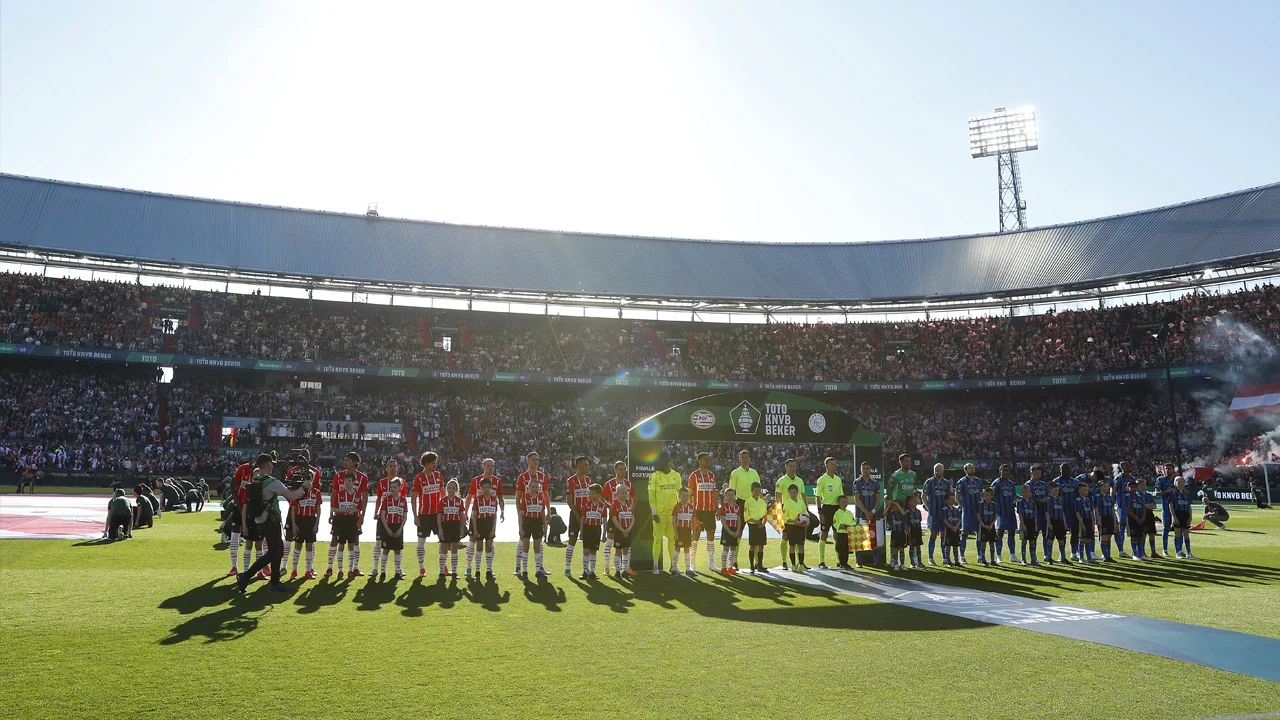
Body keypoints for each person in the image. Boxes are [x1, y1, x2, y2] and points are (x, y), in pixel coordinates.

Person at [236, 454, 308, 593]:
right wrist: (303, 487)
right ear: (268, 464)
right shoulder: (271, 482)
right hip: (271, 520)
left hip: (260, 520)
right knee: (273, 552)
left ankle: (275, 582)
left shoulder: (256, 479)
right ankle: (246, 576)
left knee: (278, 550)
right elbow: (292, 496)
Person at [332, 452, 370, 575]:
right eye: (344, 459)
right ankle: (330, 568)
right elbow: (334, 495)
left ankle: (355, 568)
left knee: (355, 540)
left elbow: (364, 497)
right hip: (340, 515)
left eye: (347, 460)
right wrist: (331, 512)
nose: (345, 462)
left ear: (354, 462)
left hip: (354, 515)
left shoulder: (363, 477)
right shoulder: (338, 476)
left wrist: (362, 515)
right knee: (335, 540)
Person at [465, 458, 503, 578]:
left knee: (489, 544)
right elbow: (469, 497)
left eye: (492, 466)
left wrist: (502, 511)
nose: (490, 468)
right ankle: (469, 567)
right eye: (488, 466)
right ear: (483, 466)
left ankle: (489, 569)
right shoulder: (475, 480)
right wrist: (465, 512)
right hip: (476, 517)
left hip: (489, 518)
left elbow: (500, 498)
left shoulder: (497, 481)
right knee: (472, 542)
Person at [370, 458, 405, 582]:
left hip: (396, 519)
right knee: (379, 542)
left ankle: (398, 569)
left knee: (397, 546)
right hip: (383, 518)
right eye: (390, 465)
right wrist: (376, 512)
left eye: (394, 466)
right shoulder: (381, 482)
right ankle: (375, 568)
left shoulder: (402, 483)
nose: (392, 468)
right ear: (386, 469)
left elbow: (402, 499)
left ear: (397, 468)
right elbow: (379, 498)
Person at [514, 453, 548, 575]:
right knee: (523, 541)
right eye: (533, 459)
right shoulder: (522, 477)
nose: (535, 462)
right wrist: (519, 513)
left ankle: (540, 567)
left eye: (537, 460)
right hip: (526, 513)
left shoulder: (542, 476)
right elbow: (517, 496)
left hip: (538, 513)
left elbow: (545, 494)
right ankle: (518, 567)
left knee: (539, 542)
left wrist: (548, 510)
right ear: (527, 461)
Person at [649, 454, 683, 575]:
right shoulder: (654, 476)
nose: (658, 463)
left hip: (672, 515)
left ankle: (673, 566)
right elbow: (651, 496)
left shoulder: (676, 475)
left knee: (672, 539)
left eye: (660, 460)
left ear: (667, 461)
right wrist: (654, 512)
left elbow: (680, 495)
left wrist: (680, 511)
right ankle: (655, 566)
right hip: (659, 514)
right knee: (657, 539)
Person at [412, 451, 444, 579]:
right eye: (432, 463)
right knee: (420, 543)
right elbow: (414, 498)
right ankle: (421, 568)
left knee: (443, 541)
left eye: (435, 463)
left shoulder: (438, 475)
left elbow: (443, 494)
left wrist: (445, 511)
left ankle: (443, 567)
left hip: (437, 515)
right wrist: (415, 516)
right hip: (424, 515)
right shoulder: (418, 478)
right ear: (425, 464)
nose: (435, 465)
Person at [326, 469, 362, 579]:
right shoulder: (339, 494)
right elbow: (334, 508)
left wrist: (353, 511)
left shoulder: (358, 495)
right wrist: (343, 511)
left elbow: (359, 508)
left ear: (354, 482)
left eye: (349, 480)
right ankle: (339, 570)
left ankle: (350, 570)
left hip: (352, 521)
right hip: (340, 520)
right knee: (340, 544)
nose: (346, 482)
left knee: (351, 544)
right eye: (345, 480)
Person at [286, 474, 323, 581]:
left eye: (309, 478)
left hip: (311, 520)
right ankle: (294, 570)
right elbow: (293, 509)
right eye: (305, 478)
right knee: (298, 545)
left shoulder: (316, 492)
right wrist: (294, 525)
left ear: (312, 479)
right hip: (299, 519)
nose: (307, 481)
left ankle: (308, 571)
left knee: (309, 546)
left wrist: (317, 524)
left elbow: (318, 509)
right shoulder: (298, 492)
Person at [688, 452, 720, 573]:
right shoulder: (694, 476)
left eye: (708, 459)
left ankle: (711, 563)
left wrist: (717, 509)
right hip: (698, 511)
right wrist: (691, 511)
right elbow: (690, 494)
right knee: (695, 535)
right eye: (706, 459)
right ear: (700, 461)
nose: (708, 461)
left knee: (711, 536)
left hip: (710, 510)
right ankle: (692, 563)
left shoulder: (712, 476)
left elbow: (714, 494)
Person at [600, 461, 632, 577]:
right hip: (614, 518)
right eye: (621, 469)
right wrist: (609, 506)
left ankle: (626, 568)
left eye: (625, 469)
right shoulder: (609, 484)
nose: (623, 471)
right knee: (610, 542)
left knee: (626, 544)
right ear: (615, 470)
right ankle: (607, 567)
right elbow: (601, 497)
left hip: (626, 518)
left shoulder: (628, 484)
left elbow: (634, 497)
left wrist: (630, 509)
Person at [728, 451, 759, 570]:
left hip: (752, 504)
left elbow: (758, 490)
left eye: (747, 457)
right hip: (740, 503)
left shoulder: (754, 472)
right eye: (743, 457)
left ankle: (757, 562)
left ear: (749, 459)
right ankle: (734, 561)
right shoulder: (735, 473)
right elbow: (731, 491)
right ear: (739, 459)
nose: (745, 459)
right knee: (738, 532)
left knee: (755, 533)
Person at [811, 456, 844, 569]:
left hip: (836, 509)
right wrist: (820, 512)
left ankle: (839, 561)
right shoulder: (822, 479)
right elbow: (818, 497)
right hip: (826, 509)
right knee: (824, 534)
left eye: (835, 464)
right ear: (826, 466)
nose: (834, 466)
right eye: (832, 464)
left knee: (837, 535)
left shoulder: (838, 479)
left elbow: (841, 496)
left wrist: (842, 510)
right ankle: (821, 561)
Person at [564, 456, 594, 578]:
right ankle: (567, 568)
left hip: (587, 514)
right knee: (572, 540)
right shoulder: (571, 481)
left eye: (588, 464)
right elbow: (569, 500)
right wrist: (577, 515)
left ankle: (586, 570)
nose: (587, 467)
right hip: (576, 514)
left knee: (587, 543)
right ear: (578, 466)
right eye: (585, 465)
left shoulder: (588, 480)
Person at [774, 459, 806, 571]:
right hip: (786, 514)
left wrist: (806, 512)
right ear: (786, 467)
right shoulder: (781, 481)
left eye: (794, 466)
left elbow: (803, 496)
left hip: (799, 513)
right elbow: (777, 498)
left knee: (799, 540)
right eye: (791, 466)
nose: (793, 468)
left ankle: (800, 563)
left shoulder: (800, 481)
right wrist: (779, 514)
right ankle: (784, 561)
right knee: (786, 538)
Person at [378, 477, 409, 581]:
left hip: (398, 527)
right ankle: (382, 572)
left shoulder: (403, 500)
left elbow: (405, 517)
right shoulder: (386, 500)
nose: (392, 489)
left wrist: (400, 529)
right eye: (390, 487)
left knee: (397, 550)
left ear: (400, 487)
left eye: (394, 487)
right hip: (388, 526)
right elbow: (382, 515)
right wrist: (387, 529)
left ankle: (397, 572)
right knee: (386, 550)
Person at [470, 476, 500, 579]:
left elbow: (495, 516)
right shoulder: (477, 500)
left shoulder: (494, 500)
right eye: (484, 487)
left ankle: (488, 570)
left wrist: (494, 529)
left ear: (491, 488)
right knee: (479, 548)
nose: (486, 489)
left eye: (488, 487)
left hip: (489, 524)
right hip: (480, 523)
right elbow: (474, 515)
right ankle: (477, 572)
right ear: (481, 488)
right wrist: (475, 529)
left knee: (489, 547)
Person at [921, 463, 951, 565]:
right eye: (936, 470)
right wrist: (928, 507)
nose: (937, 472)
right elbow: (923, 495)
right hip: (933, 513)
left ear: (943, 471)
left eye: (939, 470)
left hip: (944, 513)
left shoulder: (946, 483)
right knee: (933, 534)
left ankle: (944, 557)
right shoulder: (929, 482)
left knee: (943, 535)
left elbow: (950, 497)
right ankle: (930, 557)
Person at [578, 484, 608, 580]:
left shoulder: (603, 506)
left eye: (593, 493)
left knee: (594, 551)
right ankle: (585, 571)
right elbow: (583, 518)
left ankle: (592, 572)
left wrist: (604, 534)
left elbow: (604, 520)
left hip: (596, 529)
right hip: (587, 528)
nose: (590, 495)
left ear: (599, 494)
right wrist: (581, 531)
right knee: (586, 551)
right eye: (589, 493)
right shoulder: (586, 505)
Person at [956, 464, 984, 565]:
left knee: (979, 533)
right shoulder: (962, 481)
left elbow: (982, 494)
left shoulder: (979, 481)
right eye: (970, 468)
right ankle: (962, 556)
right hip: (967, 511)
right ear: (965, 470)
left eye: (973, 468)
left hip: (977, 511)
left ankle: (980, 555)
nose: (972, 469)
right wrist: (962, 506)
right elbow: (957, 495)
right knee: (965, 533)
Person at [608, 479, 637, 578]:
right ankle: (617, 571)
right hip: (619, 531)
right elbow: (614, 519)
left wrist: (628, 529)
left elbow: (633, 518)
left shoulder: (629, 504)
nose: (625, 494)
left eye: (626, 493)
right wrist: (622, 529)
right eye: (622, 493)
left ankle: (624, 570)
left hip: (628, 531)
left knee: (626, 550)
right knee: (618, 551)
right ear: (617, 493)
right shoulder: (615, 505)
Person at [438, 479, 465, 579]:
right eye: (449, 488)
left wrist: (462, 528)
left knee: (454, 550)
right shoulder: (443, 501)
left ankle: (454, 572)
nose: (451, 490)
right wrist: (440, 529)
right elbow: (439, 516)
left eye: (453, 488)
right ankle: (441, 572)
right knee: (444, 550)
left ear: (456, 489)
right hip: (445, 526)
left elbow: (462, 516)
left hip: (455, 526)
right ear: (446, 489)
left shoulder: (459, 501)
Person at [991, 464, 1018, 563]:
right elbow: (991, 497)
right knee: (1000, 534)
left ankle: (1013, 556)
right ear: (1000, 472)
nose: (1006, 472)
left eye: (1007, 470)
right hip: (1000, 513)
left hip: (1010, 512)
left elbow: (1014, 497)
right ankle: (999, 556)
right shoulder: (996, 483)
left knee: (1012, 533)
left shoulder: (1011, 484)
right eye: (1004, 470)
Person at [781, 483, 809, 573]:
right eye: (791, 492)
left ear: (797, 492)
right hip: (791, 526)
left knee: (801, 545)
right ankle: (793, 565)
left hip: (801, 527)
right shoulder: (787, 503)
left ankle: (801, 564)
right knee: (792, 545)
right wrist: (794, 521)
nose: (793, 494)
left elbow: (805, 513)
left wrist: (805, 521)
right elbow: (784, 517)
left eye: (795, 492)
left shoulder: (801, 502)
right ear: (789, 493)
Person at [669, 487, 697, 576]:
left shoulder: (691, 507)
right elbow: (673, 521)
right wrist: (676, 533)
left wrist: (694, 532)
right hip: (679, 530)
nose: (686, 498)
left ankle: (688, 569)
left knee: (687, 549)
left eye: (687, 496)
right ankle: (673, 568)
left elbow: (693, 520)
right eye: (684, 496)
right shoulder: (677, 507)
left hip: (687, 530)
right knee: (677, 548)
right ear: (680, 496)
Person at [744, 482, 769, 574]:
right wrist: (754, 521)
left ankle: (760, 565)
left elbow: (766, 514)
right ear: (752, 491)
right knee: (752, 545)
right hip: (753, 525)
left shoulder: (762, 501)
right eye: (755, 491)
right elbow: (746, 515)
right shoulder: (748, 501)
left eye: (759, 491)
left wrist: (763, 523)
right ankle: (751, 565)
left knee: (761, 545)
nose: (757, 493)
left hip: (761, 525)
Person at [1113, 461, 1136, 559]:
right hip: (1121, 506)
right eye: (1125, 466)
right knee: (1121, 526)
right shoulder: (1118, 478)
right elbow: (1113, 491)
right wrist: (1112, 502)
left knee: (1133, 526)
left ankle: (1135, 551)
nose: (1127, 467)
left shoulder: (1133, 478)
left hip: (1132, 506)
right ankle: (1121, 550)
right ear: (1121, 467)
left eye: (1128, 465)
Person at [716, 488, 742, 575]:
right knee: (726, 548)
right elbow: (723, 520)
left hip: (735, 529)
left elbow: (739, 520)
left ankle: (730, 567)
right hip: (727, 529)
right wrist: (729, 531)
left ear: (735, 496)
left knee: (733, 548)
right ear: (725, 496)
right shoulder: (724, 506)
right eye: (728, 495)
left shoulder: (737, 507)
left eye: (732, 495)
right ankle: (723, 568)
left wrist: (738, 530)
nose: (730, 496)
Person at [1123, 478, 1150, 561]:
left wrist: (1143, 518)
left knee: (1141, 536)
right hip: (1132, 519)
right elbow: (1127, 509)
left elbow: (1143, 508)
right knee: (1134, 537)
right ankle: (1135, 554)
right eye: (1131, 487)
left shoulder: (1139, 497)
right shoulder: (1127, 497)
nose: (1133, 489)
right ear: (1128, 488)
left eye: (1135, 487)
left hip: (1141, 519)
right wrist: (1136, 518)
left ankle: (1141, 554)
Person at [1171, 476, 1197, 559]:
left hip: (1185, 514)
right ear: (1175, 483)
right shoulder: (1173, 493)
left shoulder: (1186, 493)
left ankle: (1189, 553)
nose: (1180, 484)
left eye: (1182, 482)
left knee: (1186, 534)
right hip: (1177, 514)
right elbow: (1171, 506)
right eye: (1178, 482)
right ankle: (1178, 552)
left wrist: (1190, 517)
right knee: (1177, 534)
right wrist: (1174, 517)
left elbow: (1189, 506)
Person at [1073, 481, 1098, 563]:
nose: (1086, 492)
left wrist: (1093, 523)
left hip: (1089, 521)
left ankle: (1089, 558)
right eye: (1084, 490)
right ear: (1079, 491)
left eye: (1087, 490)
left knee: (1089, 540)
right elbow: (1077, 513)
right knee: (1082, 540)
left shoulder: (1088, 500)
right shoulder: (1078, 500)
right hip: (1082, 521)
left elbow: (1091, 512)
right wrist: (1081, 524)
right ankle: (1081, 557)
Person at [1155, 463, 1177, 557]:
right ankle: (1165, 550)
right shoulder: (1161, 479)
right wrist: (1169, 491)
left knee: (1179, 529)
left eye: (1169, 468)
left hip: (1178, 508)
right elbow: (1157, 493)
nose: (1167, 470)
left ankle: (1179, 550)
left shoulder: (1177, 479)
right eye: (1166, 468)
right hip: (1166, 507)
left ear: (1173, 469)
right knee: (1166, 528)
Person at [1095, 477, 1118, 562]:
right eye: (1104, 486)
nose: (1106, 488)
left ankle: (1108, 556)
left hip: (1110, 518)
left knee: (1109, 537)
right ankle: (1105, 556)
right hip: (1102, 518)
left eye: (1107, 486)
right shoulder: (1097, 497)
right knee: (1104, 537)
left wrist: (1115, 520)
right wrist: (1098, 520)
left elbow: (1112, 509)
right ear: (1100, 487)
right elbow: (1096, 509)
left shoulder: (1109, 497)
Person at [1016, 485, 1039, 565]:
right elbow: (1020, 515)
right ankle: (1023, 559)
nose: (1025, 494)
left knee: (1032, 541)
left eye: (1027, 492)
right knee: (1024, 541)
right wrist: (1023, 525)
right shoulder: (1020, 502)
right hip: (1024, 522)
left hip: (1032, 522)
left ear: (1030, 493)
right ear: (1021, 493)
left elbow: (1035, 515)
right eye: (1024, 492)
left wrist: (1036, 525)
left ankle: (1033, 559)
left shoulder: (1033, 503)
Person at [831, 495, 855, 571]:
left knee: (847, 549)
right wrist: (840, 526)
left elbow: (853, 521)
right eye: (843, 502)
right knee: (841, 549)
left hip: (848, 533)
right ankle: (842, 563)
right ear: (839, 503)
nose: (845, 503)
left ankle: (846, 562)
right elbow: (834, 523)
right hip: (841, 533)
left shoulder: (849, 513)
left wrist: (850, 525)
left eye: (846, 502)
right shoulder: (837, 513)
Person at [976, 487, 998, 566]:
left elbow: (995, 515)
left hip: (991, 525)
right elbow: (978, 515)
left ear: (992, 496)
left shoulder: (994, 505)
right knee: (983, 542)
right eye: (984, 494)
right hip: (983, 525)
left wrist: (992, 524)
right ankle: (983, 560)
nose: (985, 496)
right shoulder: (980, 504)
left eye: (987, 495)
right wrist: (982, 524)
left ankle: (992, 560)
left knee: (992, 543)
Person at [886, 497, 907, 571]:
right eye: (893, 506)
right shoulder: (891, 513)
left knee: (901, 549)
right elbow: (884, 513)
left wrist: (897, 505)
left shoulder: (902, 514)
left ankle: (902, 564)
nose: (893, 507)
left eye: (895, 506)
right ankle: (895, 564)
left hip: (901, 533)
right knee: (895, 549)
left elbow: (903, 513)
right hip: (894, 534)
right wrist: (889, 505)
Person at [942, 493, 962, 567]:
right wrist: (951, 527)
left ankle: (956, 561)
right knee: (948, 546)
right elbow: (944, 519)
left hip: (956, 530)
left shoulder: (956, 509)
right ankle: (948, 561)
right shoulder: (944, 509)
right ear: (947, 500)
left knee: (955, 545)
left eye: (954, 499)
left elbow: (959, 519)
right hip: (948, 530)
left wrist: (956, 527)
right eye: (951, 499)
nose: (953, 501)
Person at [905, 494, 924, 569]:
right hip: (911, 531)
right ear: (909, 502)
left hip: (918, 530)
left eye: (916, 501)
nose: (915, 503)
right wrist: (908, 534)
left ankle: (919, 562)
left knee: (918, 546)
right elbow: (906, 525)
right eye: (913, 501)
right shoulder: (907, 512)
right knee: (912, 547)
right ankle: (912, 563)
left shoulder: (918, 512)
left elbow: (919, 521)